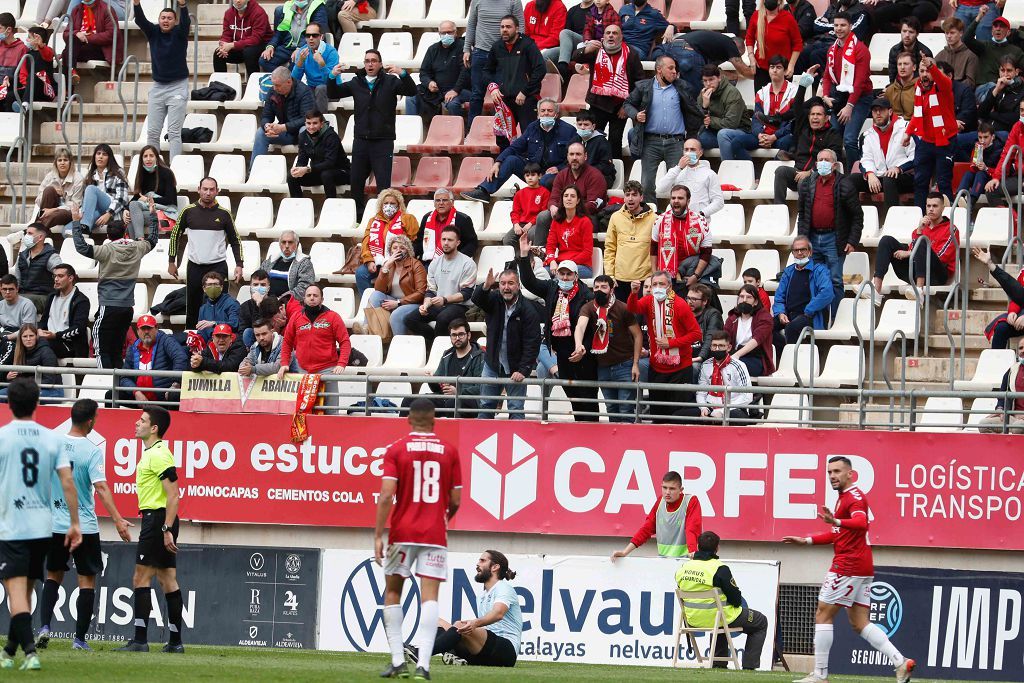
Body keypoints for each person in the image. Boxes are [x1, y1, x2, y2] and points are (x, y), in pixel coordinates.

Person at [784, 457, 916, 683]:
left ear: (850, 474)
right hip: (862, 566)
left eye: (837, 471)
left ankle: (820, 675)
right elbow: (838, 533)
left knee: (823, 614)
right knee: (859, 622)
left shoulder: (853, 498)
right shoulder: (844, 498)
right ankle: (900, 662)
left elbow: (861, 523)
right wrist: (806, 540)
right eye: (829, 472)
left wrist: (835, 520)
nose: (832, 476)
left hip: (848, 565)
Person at [35, 398, 133, 652]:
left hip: (55, 525)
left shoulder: (53, 446)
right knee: (86, 581)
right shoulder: (91, 450)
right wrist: (118, 519)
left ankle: (45, 627)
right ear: (90, 421)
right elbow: (100, 487)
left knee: (53, 576)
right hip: (85, 526)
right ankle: (79, 640)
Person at [374, 399, 461, 679]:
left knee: (393, 592)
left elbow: (387, 495)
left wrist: (378, 534)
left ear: (409, 419)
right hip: (435, 532)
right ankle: (423, 664)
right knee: (430, 597)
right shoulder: (449, 451)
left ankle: (398, 660)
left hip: (402, 532)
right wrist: (443, 516)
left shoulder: (396, 449)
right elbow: (456, 498)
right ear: (434, 419)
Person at [0, 378, 79, 671]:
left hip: (12, 526)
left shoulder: (3, 437)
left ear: (9, 403)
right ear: (37, 403)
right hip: (43, 527)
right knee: (27, 591)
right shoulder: (52, 439)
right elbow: (67, 481)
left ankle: (30, 653)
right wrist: (74, 523)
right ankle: (9, 652)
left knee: (16, 594)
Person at [114, 407, 186, 654]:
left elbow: (174, 496)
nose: (137, 423)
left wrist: (165, 528)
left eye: (142, 420)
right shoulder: (152, 453)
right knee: (167, 579)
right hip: (157, 519)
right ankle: (175, 643)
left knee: (140, 578)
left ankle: (140, 640)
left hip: (158, 522)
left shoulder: (159, 455)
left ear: (154, 428)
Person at [326, 50, 417, 215]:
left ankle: (383, 218)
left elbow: (412, 91)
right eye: (367, 61)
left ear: (380, 64)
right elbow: (332, 93)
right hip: (361, 140)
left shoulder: (390, 81)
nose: (370, 64)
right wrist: (332, 76)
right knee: (356, 182)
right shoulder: (356, 82)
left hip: (383, 140)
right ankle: (358, 217)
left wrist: (402, 73)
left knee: (383, 184)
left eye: (374, 61)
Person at [519, 239, 598, 421]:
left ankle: (593, 432)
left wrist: (583, 349)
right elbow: (529, 282)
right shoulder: (552, 288)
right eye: (561, 273)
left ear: (576, 276)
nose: (564, 278)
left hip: (584, 354)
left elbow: (592, 329)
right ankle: (581, 430)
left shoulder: (586, 295)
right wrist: (524, 256)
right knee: (573, 397)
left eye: (568, 274)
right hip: (562, 354)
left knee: (588, 398)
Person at [71, 205, 158, 370]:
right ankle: (117, 387)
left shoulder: (105, 250)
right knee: (117, 350)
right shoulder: (138, 248)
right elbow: (153, 239)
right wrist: (153, 217)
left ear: (108, 235)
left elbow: (81, 247)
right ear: (125, 231)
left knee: (102, 349)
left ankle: (106, 383)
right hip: (127, 308)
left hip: (109, 306)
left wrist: (76, 222)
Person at [675, 531, 768, 669]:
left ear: (698, 547)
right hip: (718, 618)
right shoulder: (719, 568)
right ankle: (749, 667)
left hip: (692, 620)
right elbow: (736, 599)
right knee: (760, 621)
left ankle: (718, 663)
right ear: (717, 548)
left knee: (719, 617)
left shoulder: (684, 568)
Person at [462, 98, 576, 203]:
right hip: (534, 169)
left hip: (555, 173)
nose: (546, 113)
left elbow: (575, 158)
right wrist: (498, 162)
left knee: (545, 180)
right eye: (543, 110)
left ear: (556, 114)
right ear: (538, 114)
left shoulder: (568, 130)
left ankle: (536, 202)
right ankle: (484, 191)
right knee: (511, 160)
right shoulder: (532, 127)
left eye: (550, 111)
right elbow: (514, 147)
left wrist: (559, 168)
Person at [624, 55, 703, 203]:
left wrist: (703, 110)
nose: (675, 72)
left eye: (675, 68)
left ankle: (677, 217)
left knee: (679, 184)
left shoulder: (683, 86)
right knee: (647, 184)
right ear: (659, 70)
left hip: (676, 141)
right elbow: (627, 103)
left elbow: (694, 109)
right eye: (671, 68)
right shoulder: (644, 87)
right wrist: (636, 115)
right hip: (650, 141)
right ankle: (651, 217)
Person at [168, 177, 243, 330]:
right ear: (199, 189)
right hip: (195, 266)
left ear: (217, 191)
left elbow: (236, 240)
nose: (208, 193)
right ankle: (193, 342)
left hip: (218, 266)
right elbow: (175, 235)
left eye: (211, 189)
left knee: (220, 305)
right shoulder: (187, 211)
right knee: (194, 306)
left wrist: (239, 264)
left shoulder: (224, 214)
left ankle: (221, 338)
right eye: (205, 189)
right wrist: (171, 261)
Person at [627, 271, 702, 421]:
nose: (657, 287)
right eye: (654, 284)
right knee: (658, 414)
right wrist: (634, 293)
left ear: (669, 286)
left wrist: (671, 343)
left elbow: (696, 334)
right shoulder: (648, 301)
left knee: (678, 415)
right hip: (657, 367)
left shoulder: (680, 304)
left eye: (661, 284)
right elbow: (632, 308)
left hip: (680, 368)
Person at [508, 142, 606, 253]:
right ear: (567, 156)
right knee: (544, 216)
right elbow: (553, 198)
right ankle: (540, 255)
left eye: (578, 154)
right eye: (571, 154)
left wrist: (570, 211)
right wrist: (553, 206)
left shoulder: (595, 176)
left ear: (585, 156)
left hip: (587, 216)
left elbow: (593, 205)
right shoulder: (562, 175)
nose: (574, 158)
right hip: (563, 213)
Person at [428, 550, 521, 668]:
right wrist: (471, 624)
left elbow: (498, 613)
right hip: (484, 650)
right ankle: (453, 655)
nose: (478, 564)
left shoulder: (503, 588)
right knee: (436, 621)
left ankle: (420, 653)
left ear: (495, 567)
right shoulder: (481, 596)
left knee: (459, 625)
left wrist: (474, 623)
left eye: (482, 560)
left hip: (506, 652)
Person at [471, 268, 542, 420]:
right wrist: (485, 286)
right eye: (502, 283)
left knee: (516, 410)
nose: (506, 287)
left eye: (511, 283)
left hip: (516, 369)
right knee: (485, 407)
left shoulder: (529, 310)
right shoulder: (494, 300)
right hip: (492, 365)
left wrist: (523, 370)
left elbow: (532, 344)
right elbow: (477, 299)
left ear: (518, 286)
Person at [797, 148, 862, 309]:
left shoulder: (845, 184)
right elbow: (802, 213)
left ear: (834, 165)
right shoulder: (807, 183)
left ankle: (835, 317)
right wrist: (802, 239)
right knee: (813, 279)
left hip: (834, 238)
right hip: (812, 238)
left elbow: (857, 216)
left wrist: (852, 240)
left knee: (835, 280)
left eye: (827, 160)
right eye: (820, 160)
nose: (823, 163)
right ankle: (818, 317)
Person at [573, 274, 641, 422]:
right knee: (611, 409)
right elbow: (580, 326)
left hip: (625, 365)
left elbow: (638, 335)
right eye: (596, 287)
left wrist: (635, 363)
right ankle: (616, 444)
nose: (599, 290)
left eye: (604, 287)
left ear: (611, 289)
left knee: (626, 409)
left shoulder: (623, 307)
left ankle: (627, 442)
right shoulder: (589, 307)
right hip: (603, 367)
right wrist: (578, 344)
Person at [573, 24, 645, 155]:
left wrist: (628, 105)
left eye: (615, 33)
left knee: (615, 141)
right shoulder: (595, 50)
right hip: (598, 104)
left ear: (621, 37)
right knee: (593, 139)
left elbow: (639, 82)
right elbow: (576, 57)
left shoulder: (631, 53)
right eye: (608, 33)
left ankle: (613, 172)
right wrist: (586, 49)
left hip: (620, 106)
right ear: (604, 36)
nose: (611, 35)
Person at [135, 0, 190, 160]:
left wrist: (182, 6)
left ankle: (175, 169)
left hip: (178, 87)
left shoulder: (180, 33)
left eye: (169, 18)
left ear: (175, 21)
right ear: (159, 20)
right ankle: (154, 170)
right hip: (158, 87)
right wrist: (137, 4)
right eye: (163, 17)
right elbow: (140, 21)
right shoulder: (153, 32)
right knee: (152, 133)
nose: (166, 21)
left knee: (173, 132)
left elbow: (186, 22)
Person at [872, 192, 959, 292]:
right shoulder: (921, 229)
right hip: (917, 271)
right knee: (886, 240)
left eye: (935, 206)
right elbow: (913, 252)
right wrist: (919, 231)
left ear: (943, 208)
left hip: (937, 276)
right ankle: (876, 290)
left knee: (922, 242)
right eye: (928, 206)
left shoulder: (952, 229)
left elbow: (940, 256)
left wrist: (910, 253)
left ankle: (918, 291)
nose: (931, 209)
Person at [720, 56, 802, 161]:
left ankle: (771, 175)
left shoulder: (794, 92)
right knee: (737, 142)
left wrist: (774, 136)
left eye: (778, 67)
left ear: (785, 71)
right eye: (772, 67)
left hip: (781, 136)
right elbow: (756, 119)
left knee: (788, 142)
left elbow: (794, 122)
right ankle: (751, 174)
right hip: (763, 135)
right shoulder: (762, 92)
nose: (775, 70)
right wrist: (760, 135)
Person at [404, 226, 477, 343]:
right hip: (439, 304)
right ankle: (433, 342)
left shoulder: (468, 263)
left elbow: (466, 293)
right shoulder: (434, 263)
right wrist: (426, 304)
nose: (446, 243)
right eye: (443, 239)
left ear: (458, 242)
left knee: (442, 318)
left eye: (450, 240)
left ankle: (441, 351)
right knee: (410, 319)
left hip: (460, 306)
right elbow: (430, 291)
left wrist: (445, 299)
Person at [773, 87, 844, 203]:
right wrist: (802, 86)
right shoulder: (803, 128)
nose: (815, 117)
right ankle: (779, 209)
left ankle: (805, 216)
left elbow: (833, 159)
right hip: (798, 173)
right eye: (812, 114)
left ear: (826, 118)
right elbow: (797, 106)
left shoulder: (833, 134)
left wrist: (810, 172)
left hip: (819, 176)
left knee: (803, 182)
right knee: (781, 171)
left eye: (819, 115)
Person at [905, 57, 957, 210]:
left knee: (943, 182)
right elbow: (918, 114)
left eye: (928, 71)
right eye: (921, 71)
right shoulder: (919, 88)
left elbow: (942, 80)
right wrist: (908, 133)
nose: (925, 74)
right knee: (920, 181)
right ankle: (919, 218)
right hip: (926, 141)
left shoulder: (944, 86)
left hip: (945, 141)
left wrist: (932, 67)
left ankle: (947, 220)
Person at [612, 470, 702, 558]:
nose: (667, 492)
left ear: (681, 490)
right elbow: (646, 529)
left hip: (686, 561)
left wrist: (693, 554)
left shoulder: (691, 501)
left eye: (672, 488)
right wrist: (625, 552)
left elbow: (692, 529)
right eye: (664, 487)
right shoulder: (660, 502)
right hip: (663, 561)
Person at [406, 318, 485, 418]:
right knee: (409, 401)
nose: (457, 338)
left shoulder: (480, 356)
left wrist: (458, 391)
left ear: (468, 335)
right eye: (453, 335)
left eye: (461, 334)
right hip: (445, 399)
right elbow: (438, 388)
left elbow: (482, 387)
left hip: (469, 401)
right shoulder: (447, 355)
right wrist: (432, 381)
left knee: (452, 404)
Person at [821, 12, 872, 165]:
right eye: (836, 25)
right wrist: (825, 96)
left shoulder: (861, 49)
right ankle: (835, 176)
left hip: (860, 98)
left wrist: (849, 106)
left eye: (843, 25)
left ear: (850, 26)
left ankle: (854, 176)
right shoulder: (832, 49)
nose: (839, 29)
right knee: (834, 138)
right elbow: (827, 76)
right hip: (839, 97)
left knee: (849, 140)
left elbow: (860, 82)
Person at [463, 0, 525, 123]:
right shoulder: (477, 1)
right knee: (476, 95)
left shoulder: (514, 1)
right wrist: (466, 48)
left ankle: (504, 132)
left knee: (503, 94)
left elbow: (520, 27)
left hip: (504, 54)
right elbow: (471, 24)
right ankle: (471, 131)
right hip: (480, 52)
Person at [651, 185, 718, 290]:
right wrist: (655, 274)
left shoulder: (700, 221)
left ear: (688, 201)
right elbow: (654, 248)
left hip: (690, 275)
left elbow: (706, 252)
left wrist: (695, 276)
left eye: (680, 198)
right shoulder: (660, 220)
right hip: (667, 277)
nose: (676, 201)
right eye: (673, 198)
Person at [853, 98, 915, 210]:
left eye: (881, 110)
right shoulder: (867, 135)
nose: (877, 113)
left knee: (889, 179)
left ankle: (890, 221)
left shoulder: (906, 129)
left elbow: (915, 157)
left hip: (905, 177)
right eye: (874, 111)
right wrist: (870, 174)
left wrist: (898, 168)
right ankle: (854, 221)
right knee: (851, 180)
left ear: (890, 112)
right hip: (879, 177)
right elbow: (865, 159)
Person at [277, 284, 351, 377]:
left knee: (330, 393)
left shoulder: (333, 317)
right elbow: (287, 342)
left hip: (328, 370)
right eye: (309, 295)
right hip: (302, 371)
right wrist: (284, 363)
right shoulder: (296, 317)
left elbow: (345, 341)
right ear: (304, 299)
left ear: (322, 299)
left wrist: (341, 363)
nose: (312, 298)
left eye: (315, 295)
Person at [356, 189, 420, 296]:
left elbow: (415, 242)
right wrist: (369, 260)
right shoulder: (373, 220)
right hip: (377, 260)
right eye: (386, 203)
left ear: (399, 205)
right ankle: (369, 303)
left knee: (391, 276)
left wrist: (400, 259)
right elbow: (365, 242)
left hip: (399, 261)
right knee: (361, 273)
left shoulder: (408, 218)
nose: (388, 206)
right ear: (381, 205)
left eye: (392, 203)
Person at [773, 236, 835, 343]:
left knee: (791, 328)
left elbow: (827, 293)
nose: (800, 253)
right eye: (796, 250)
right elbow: (779, 297)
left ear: (810, 252)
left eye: (803, 249)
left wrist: (808, 311)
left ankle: (792, 357)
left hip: (809, 316)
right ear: (793, 253)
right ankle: (782, 351)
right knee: (765, 326)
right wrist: (780, 313)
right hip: (788, 314)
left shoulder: (819, 270)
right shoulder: (788, 272)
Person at [252, 66, 316, 169]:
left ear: (289, 82)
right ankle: (254, 171)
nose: (275, 88)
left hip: (300, 133)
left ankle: (305, 168)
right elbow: (266, 116)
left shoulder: (304, 91)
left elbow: (307, 119)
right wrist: (267, 126)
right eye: (273, 85)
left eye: (278, 85)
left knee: (305, 130)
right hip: (286, 132)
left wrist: (283, 127)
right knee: (261, 132)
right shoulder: (273, 91)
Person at [118, 315, 188, 405]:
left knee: (174, 395)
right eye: (143, 329)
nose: (146, 332)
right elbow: (124, 377)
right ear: (138, 331)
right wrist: (136, 392)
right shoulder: (132, 349)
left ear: (156, 328)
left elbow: (180, 357)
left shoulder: (166, 340)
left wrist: (176, 383)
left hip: (163, 397)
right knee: (111, 394)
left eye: (149, 328)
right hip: (140, 398)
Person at [412, 21, 471, 126]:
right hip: (437, 90)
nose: (446, 35)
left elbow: (465, 71)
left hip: (461, 89)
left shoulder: (463, 48)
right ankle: (414, 130)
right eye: (443, 33)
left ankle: (461, 133)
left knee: (453, 103)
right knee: (411, 97)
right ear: (439, 34)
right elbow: (424, 72)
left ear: (456, 32)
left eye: (449, 32)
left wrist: (455, 90)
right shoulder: (432, 49)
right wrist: (429, 83)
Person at [687, 331, 755, 422]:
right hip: (710, 407)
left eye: (721, 346)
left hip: (732, 408)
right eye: (714, 345)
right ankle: (710, 421)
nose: (717, 349)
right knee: (679, 415)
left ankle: (712, 422)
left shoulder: (739, 366)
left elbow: (747, 396)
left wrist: (722, 411)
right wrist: (704, 408)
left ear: (729, 347)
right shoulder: (706, 365)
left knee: (737, 417)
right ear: (710, 347)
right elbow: (701, 392)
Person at [605, 180, 655, 302]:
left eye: (634, 195)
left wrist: (654, 276)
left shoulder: (655, 218)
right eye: (627, 195)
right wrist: (610, 275)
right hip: (620, 280)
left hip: (644, 279)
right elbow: (610, 248)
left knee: (641, 318)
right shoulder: (615, 217)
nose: (630, 199)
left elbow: (657, 250)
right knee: (621, 318)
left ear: (641, 197)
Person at [368, 236, 428, 335]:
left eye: (402, 248)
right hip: (392, 299)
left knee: (396, 314)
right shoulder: (389, 265)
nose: (398, 250)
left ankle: (399, 344)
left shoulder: (416, 265)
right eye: (395, 248)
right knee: (375, 295)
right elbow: (378, 289)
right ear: (390, 251)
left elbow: (421, 293)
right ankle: (371, 333)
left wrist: (398, 302)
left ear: (408, 250)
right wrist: (385, 268)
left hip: (412, 303)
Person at [288, 110, 350, 200]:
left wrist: (308, 169)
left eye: (315, 123)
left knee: (327, 175)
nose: (311, 127)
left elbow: (330, 163)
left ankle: (331, 206)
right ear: (305, 123)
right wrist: (298, 169)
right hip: (319, 172)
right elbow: (302, 159)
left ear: (322, 123)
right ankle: (299, 207)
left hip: (341, 172)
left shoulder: (331, 136)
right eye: (308, 123)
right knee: (292, 177)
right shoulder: (303, 136)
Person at [655, 138, 725, 216]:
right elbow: (660, 189)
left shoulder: (709, 174)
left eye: (692, 149)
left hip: (698, 222)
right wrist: (679, 168)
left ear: (700, 152)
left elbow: (719, 201)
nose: (689, 152)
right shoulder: (676, 171)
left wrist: (701, 214)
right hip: (676, 219)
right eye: (686, 150)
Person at [966, 10, 1024, 101]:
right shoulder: (984, 46)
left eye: (1002, 26)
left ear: (1008, 32)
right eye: (995, 26)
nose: (998, 28)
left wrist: (1017, 80)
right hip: (985, 88)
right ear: (992, 31)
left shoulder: (1016, 51)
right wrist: (979, 18)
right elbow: (966, 38)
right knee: (995, 91)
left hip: (1006, 88)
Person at [745, 0, 803, 90]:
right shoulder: (756, 16)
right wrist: (751, 57)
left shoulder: (787, 18)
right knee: (761, 101)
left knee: (782, 102)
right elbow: (749, 38)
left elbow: (798, 43)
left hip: (782, 70)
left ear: (779, 1)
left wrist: (791, 65)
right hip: (761, 69)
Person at [124, 145, 177, 240]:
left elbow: (170, 199)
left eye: (151, 156)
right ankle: (137, 243)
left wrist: (148, 200)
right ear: (142, 159)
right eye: (145, 156)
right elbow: (137, 197)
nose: (148, 159)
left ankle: (138, 243)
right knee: (131, 212)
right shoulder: (142, 174)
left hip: (166, 212)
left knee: (133, 212)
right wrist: (125, 210)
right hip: (151, 211)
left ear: (156, 157)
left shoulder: (166, 173)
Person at [414, 189, 478, 266]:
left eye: (444, 200)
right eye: (437, 200)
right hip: (428, 262)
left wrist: (458, 258)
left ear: (452, 202)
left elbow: (472, 243)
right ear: (434, 203)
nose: (441, 203)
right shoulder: (427, 218)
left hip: (454, 263)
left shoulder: (463, 219)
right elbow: (419, 241)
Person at [259, 0, 328, 71]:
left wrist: (300, 48)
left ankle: (290, 80)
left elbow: (316, 33)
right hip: (288, 45)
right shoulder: (288, 6)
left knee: (296, 63)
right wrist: (271, 46)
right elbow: (280, 31)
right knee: (264, 60)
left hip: (308, 46)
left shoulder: (318, 6)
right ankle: (283, 79)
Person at [542, 186, 596, 278]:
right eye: (566, 196)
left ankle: (555, 292)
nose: (569, 199)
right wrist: (552, 261)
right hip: (561, 263)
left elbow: (587, 251)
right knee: (541, 273)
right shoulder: (556, 221)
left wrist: (567, 264)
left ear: (578, 200)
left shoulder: (585, 221)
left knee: (561, 275)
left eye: (572, 196)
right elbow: (550, 245)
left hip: (581, 265)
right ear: (562, 199)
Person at [696, 64, 751, 154]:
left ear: (719, 78)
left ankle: (728, 165)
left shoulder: (732, 93)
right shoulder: (703, 94)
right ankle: (696, 167)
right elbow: (697, 119)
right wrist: (704, 106)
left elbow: (731, 123)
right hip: (714, 130)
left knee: (723, 135)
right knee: (694, 141)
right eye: (705, 81)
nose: (708, 84)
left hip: (739, 130)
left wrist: (710, 121)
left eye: (711, 79)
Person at [39, 264, 89, 361]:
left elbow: (79, 328)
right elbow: (43, 320)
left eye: (60, 276)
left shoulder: (81, 300)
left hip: (69, 344)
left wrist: (56, 335)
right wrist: (39, 330)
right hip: (49, 340)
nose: (56, 279)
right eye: (55, 276)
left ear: (70, 278)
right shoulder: (51, 297)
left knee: (43, 346)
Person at [61, 0, 123, 79]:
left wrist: (87, 37)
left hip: (101, 49)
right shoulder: (76, 10)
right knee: (73, 41)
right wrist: (76, 33)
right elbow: (66, 33)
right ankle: (72, 73)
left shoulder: (107, 9)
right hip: (79, 48)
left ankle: (68, 85)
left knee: (67, 53)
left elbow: (111, 34)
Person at [78, 143, 130, 237]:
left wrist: (108, 213)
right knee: (68, 229)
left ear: (109, 158)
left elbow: (122, 198)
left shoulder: (118, 172)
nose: (100, 157)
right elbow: (85, 202)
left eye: (104, 154)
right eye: (98, 153)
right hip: (96, 212)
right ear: (94, 156)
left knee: (91, 189)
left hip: (112, 210)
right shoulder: (90, 176)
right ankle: (84, 233)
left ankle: (84, 228)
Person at [725, 284, 777, 378]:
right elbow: (725, 338)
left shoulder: (764, 317)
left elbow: (757, 339)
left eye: (749, 297)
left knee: (733, 367)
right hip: (733, 355)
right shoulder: (732, 318)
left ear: (756, 302)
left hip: (756, 358)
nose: (744, 300)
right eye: (741, 296)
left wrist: (736, 356)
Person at [0, 325, 62, 403]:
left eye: (31, 336)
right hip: (27, 388)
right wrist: (9, 378)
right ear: (20, 339)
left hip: (53, 391)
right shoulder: (19, 352)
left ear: (36, 337)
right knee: (1, 395)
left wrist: (25, 385)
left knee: (21, 397)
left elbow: (49, 380)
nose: (28, 339)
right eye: (25, 336)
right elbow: (19, 379)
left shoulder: (46, 352)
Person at [976, 337, 1024, 433]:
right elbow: (1002, 395)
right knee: (984, 424)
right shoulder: (1012, 371)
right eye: (1021, 348)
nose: (1023, 351)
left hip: (1019, 423)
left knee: (1018, 428)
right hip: (1013, 417)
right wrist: (1000, 408)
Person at [11, 223, 61, 312]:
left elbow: (61, 276)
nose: (26, 236)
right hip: (23, 295)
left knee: (19, 300)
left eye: (30, 233)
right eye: (26, 233)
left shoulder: (52, 256)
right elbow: (17, 281)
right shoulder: (22, 256)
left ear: (40, 237)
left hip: (43, 297)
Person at [214, 0, 272, 76]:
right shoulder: (229, 13)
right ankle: (220, 85)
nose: (238, 1)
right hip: (241, 46)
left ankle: (253, 84)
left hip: (261, 45)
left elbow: (256, 39)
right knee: (218, 53)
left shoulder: (258, 12)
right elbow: (226, 34)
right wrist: (223, 45)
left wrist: (233, 45)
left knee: (249, 52)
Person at [32, 148, 84, 231]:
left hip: (67, 212)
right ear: (56, 163)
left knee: (54, 215)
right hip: (47, 210)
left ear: (70, 162)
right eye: (59, 160)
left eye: (65, 160)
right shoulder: (50, 176)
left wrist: (53, 210)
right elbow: (38, 200)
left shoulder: (78, 178)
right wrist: (54, 190)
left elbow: (75, 205)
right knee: (49, 190)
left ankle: (31, 231)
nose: (62, 163)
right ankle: (38, 232)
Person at [289, 22, 337, 113]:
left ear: (321, 37)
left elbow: (331, 81)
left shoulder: (331, 52)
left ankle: (321, 123)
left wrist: (322, 64)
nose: (311, 38)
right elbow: (294, 80)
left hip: (332, 89)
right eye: (308, 35)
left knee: (321, 88)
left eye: (314, 35)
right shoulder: (303, 51)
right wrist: (299, 63)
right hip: (312, 87)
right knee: (296, 89)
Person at [983, 99, 1024, 203]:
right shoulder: (1017, 127)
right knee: (991, 190)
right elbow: (1006, 155)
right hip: (1019, 177)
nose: (1023, 113)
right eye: (1021, 110)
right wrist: (996, 177)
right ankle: (1012, 219)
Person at [259, 230, 315, 303]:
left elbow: (304, 287)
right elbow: (258, 278)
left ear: (297, 244)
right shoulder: (271, 260)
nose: (287, 246)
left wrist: (281, 300)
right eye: (283, 242)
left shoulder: (304, 263)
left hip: (289, 304)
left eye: (290, 242)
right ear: (279, 244)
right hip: (266, 302)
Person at [509, 163, 551, 251]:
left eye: (533, 175)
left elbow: (543, 213)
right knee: (508, 239)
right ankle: (519, 260)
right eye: (527, 175)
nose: (530, 178)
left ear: (540, 176)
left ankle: (532, 261)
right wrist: (516, 224)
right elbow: (515, 212)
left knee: (531, 235)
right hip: (521, 223)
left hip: (535, 224)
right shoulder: (519, 193)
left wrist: (530, 223)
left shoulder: (545, 192)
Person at [978, 55, 1024, 136]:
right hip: (984, 133)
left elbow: (1015, 118)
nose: (1005, 74)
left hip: (1005, 134)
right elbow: (981, 113)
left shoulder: (1022, 91)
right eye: (1002, 70)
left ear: (1016, 72)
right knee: (959, 139)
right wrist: (996, 91)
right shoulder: (995, 89)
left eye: (1009, 70)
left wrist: (992, 114)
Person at [958, 122, 1004, 201]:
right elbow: (973, 169)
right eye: (980, 137)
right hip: (979, 182)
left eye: (986, 137)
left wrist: (986, 168)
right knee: (968, 174)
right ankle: (959, 198)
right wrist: (977, 154)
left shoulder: (1000, 149)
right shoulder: (977, 145)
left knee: (981, 173)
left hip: (994, 181)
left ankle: (971, 203)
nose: (982, 140)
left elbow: (1002, 172)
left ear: (992, 137)